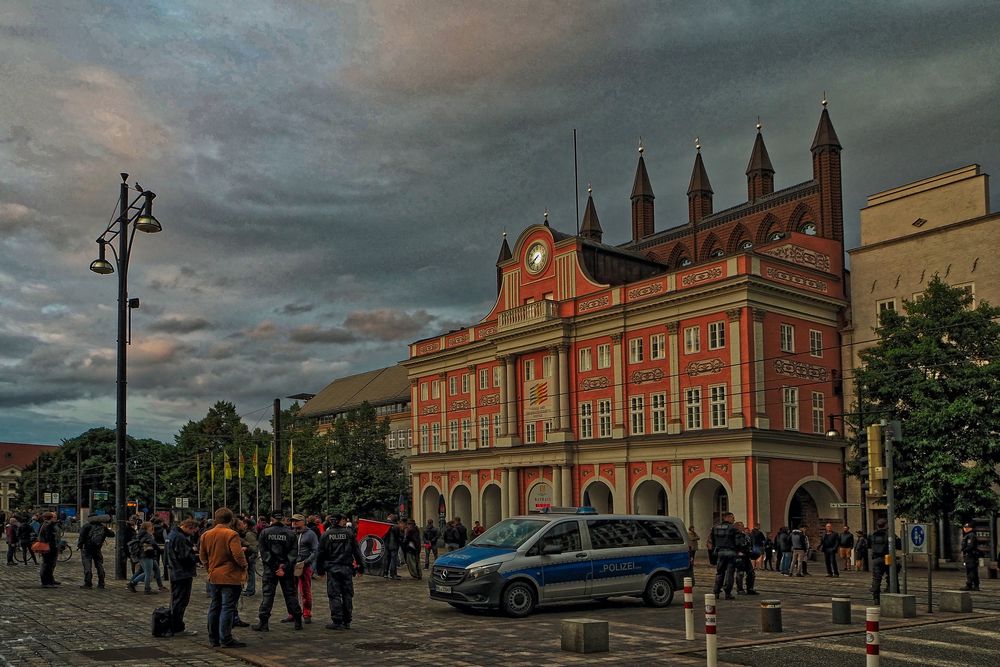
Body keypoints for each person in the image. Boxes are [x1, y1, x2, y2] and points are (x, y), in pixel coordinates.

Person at [199, 507, 248, 648]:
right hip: (229, 576)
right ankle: (225, 638)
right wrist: (244, 565)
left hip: (214, 575)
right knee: (228, 607)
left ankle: (213, 638)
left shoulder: (206, 535)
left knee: (215, 606)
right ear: (230, 519)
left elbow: (202, 557)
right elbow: (237, 555)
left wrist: (210, 567)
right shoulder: (231, 534)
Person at [252, 511, 302, 632]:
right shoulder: (290, 533)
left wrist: (275, 567)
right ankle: (298, 620)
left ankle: (263, 623)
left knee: (268, 596)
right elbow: (293, 553)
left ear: (272, 519)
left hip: (270, 569)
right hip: (287, 569)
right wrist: (283, 567)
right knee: (290, 594)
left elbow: (264, 553)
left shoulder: (265, 532)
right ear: (283, 519)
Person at [316, 514, 364, 630]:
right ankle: (347, 620)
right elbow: (357, 551)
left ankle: (337, 620)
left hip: (332, 568)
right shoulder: (349, 534)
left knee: (334, 595)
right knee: (347, 594)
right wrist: (361, 566)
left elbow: (320, 554)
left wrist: (320, 570)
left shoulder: (326, 535)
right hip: (346, 568)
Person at [282, 514, 318, 625]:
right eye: (293, 521)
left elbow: (315, 550)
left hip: (304, 565)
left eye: (297, 521)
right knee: (291, 591)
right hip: (291, 565)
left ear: (303, 522)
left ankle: (307, 613)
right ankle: (293, 613)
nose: (294, 522)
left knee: (305, 590)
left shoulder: (310, 534)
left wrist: (306, 562)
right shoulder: (290, 533)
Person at [166, 518, 199, 636]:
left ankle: (174, 625)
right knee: (180, 600)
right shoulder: (180, 538)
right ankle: (177, 627)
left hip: (175, 571)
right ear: (188, 527)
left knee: (176, 599)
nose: (193, 533)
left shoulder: (172, 535)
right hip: (182, 572)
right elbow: (185, 556)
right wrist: (193, 552)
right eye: (193, 531)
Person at [707, 512, 738, 600]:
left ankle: (716, 591)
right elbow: (737, 541)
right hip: (730, 552)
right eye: (732, 517)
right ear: (727, 517)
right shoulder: (733, 528)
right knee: (730, 573)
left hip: (719, 552)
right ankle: (727, 593)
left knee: (719, 572)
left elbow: (711, 540)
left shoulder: (715, 527)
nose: (734, 519)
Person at [128, 521, 165, 594]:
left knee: (156, 569)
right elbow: (153, 543)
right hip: (146, 555)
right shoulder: (147, 535)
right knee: (148, 572)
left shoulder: (143, 534)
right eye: (151, 526)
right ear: (147, 527)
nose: (152, 527)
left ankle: (160, 586)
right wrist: (159, 549)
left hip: (146, 555)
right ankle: (142, 587)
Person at [77, 516, 113, 589]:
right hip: (97, 549)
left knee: (87, 566)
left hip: (87, 548)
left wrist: (80, 545)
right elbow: (112, 534)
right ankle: (101, 583)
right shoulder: (102, 527)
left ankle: (88, 583)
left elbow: (81, 537)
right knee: (99, 565)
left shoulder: (86, 526)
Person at [869, 518, 891, 604]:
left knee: (876, 578)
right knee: (891, 576)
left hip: (876, 559)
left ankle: (876, 598)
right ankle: (891, 592)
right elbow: (899, 544)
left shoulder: (872, 535)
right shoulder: (889, 534)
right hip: (887, 557)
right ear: (886, 525)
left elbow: (869, 545)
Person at [733, 523, 759, 595]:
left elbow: (749, 545)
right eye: (741, 526)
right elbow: (733, 545)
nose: (743, 527)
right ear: (737, 527)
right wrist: (737, 552)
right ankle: (740, 589)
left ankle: (750, 588)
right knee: (740, 573)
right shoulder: (733, 536)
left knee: (751, 573)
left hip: (746, 556)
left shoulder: (745, 536)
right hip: (739, 556)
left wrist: (751, 552)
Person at [37, 512, 60, 588]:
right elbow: (49, 537)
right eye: (54, 517)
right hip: (49, 547)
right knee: (47, 565)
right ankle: (46, 582)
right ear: (50, 518)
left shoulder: (45, 524)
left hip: (47, 547)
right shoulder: (48, 525)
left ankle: (49, 581)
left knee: (48, 564)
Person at [960, 522, 982, 592]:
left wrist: (965, 549)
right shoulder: (968, 535)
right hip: (969, 555)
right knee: (971, 570)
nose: (965, 529)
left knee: (971, 571)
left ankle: (970, 585)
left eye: (966, 528)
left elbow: (970, 546)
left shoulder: (971, 535)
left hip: (971, 555)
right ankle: (975, 586)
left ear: (970, 528)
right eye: (964, 527)